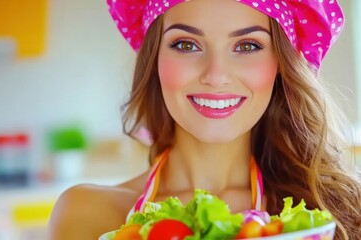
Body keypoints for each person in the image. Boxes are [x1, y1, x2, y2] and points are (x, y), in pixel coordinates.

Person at [48, 0, 361, 239]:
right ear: (155, 58)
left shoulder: (335, 212)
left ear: (280, 63)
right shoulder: (86, 213)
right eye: (186, 44)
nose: (215, 76)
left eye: (247, 46)